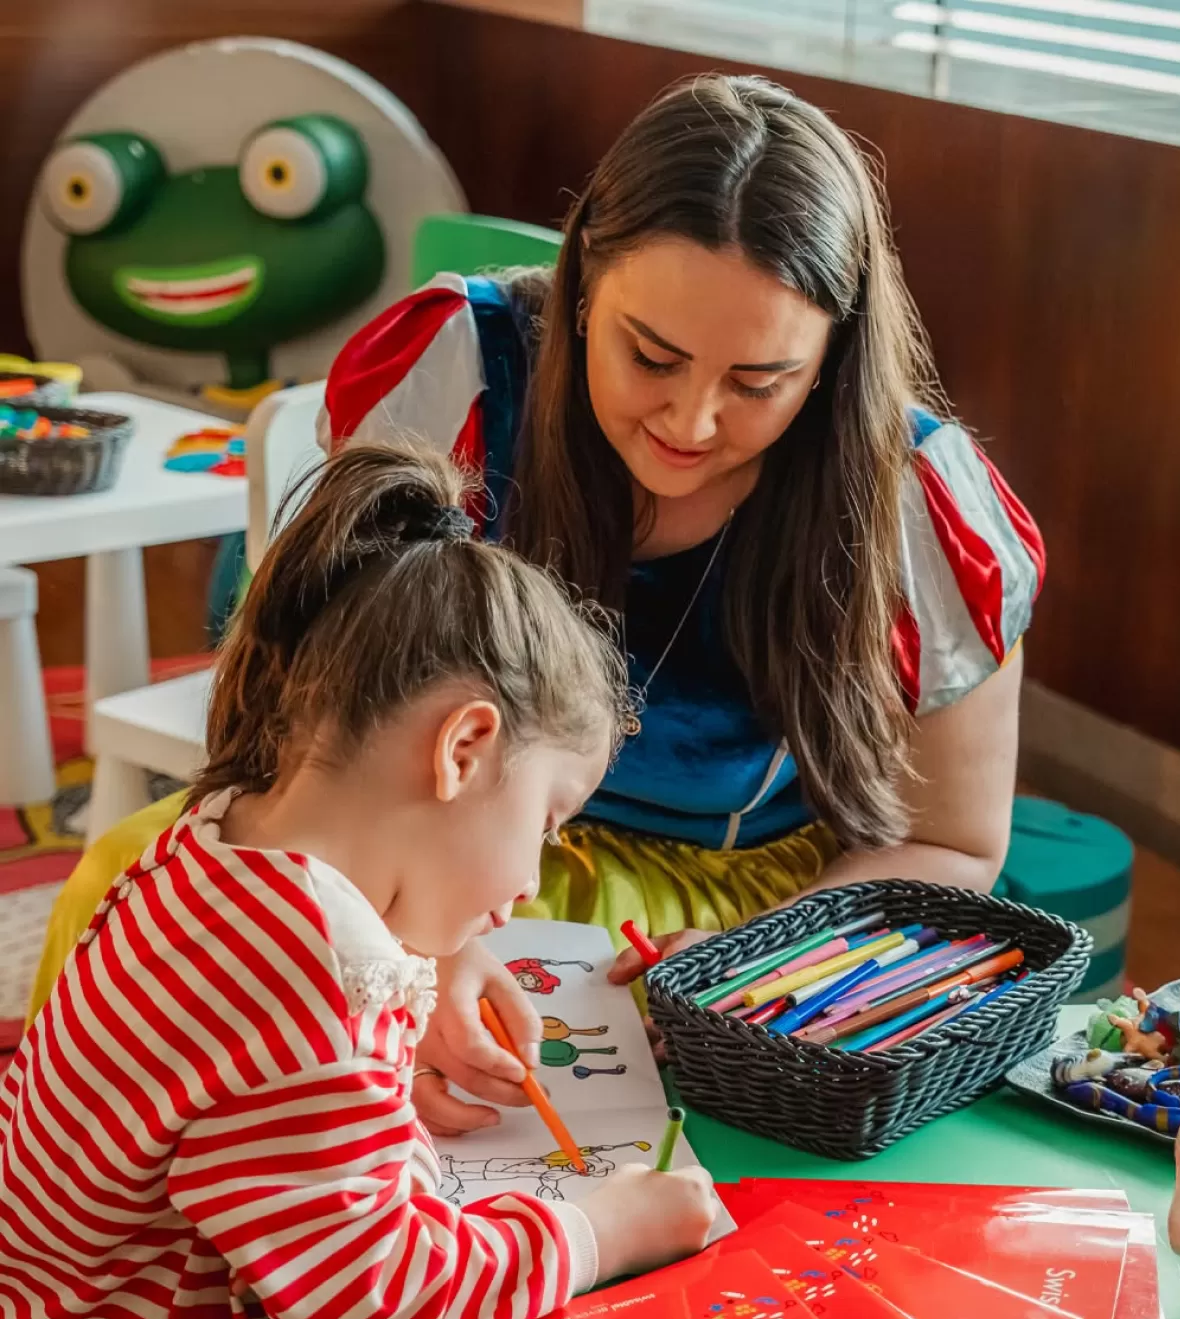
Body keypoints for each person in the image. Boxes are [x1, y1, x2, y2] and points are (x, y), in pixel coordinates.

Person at [31, 73, 1041, 1144]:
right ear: (580, 281)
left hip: (718, 906)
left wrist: (724, 979)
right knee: (123, 889)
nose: (691, 422)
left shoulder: (912, 497)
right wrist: (413, 944)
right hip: (415, 822)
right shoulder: (458, 372)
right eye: (649, 355)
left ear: (832, 360)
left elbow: (952, 842)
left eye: (759, 381)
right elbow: (304, 700)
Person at [0, 443, 724, 1319]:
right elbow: (376, 1302)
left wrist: (393, 1070)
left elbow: (261, 1125)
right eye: (544, 823)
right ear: (463, 747)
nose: (532, 883)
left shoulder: (222, 841)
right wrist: (600, 1231)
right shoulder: (299, 976)